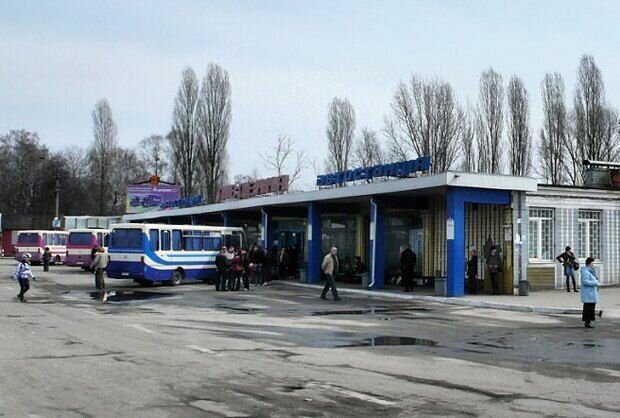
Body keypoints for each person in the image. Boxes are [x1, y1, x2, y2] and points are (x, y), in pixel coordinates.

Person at [580, 257, 599, 328]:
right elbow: (585, 282)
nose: (593, 265)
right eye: (592, 263)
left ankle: (588, 322)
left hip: (591, 294)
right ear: (588, 264)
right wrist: (595, 282)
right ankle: (587, 322)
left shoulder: (591, 272)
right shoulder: (586, 272)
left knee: (591, 309)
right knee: (588, 309)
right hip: (588, 294)